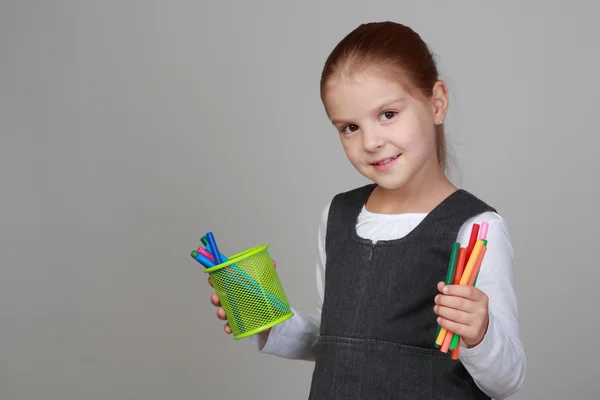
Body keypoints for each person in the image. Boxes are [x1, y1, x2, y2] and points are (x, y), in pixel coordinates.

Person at [208, 21, 526, 399]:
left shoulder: (476, 228)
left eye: (388, 114)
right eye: (349, 127)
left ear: (437, 103)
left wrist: (482, 332)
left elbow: (507, 381)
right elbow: (337, 342)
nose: (371, 142)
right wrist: (266, 322)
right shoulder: (337, 216)